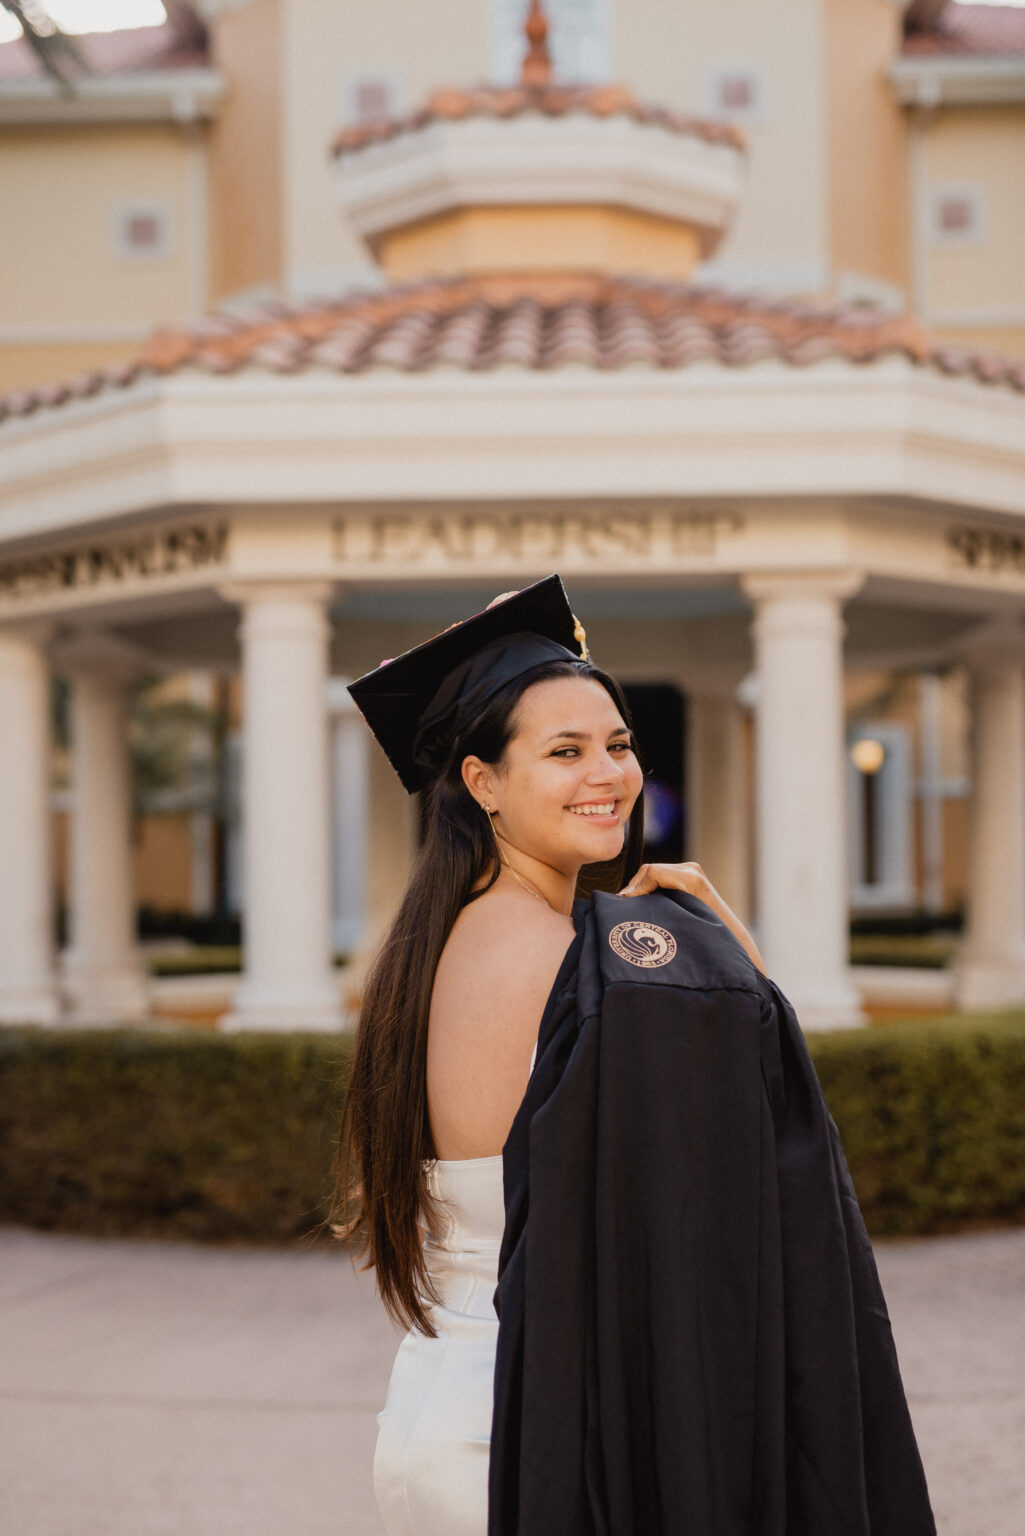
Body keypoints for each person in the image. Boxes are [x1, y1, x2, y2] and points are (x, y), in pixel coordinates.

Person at [336, 576, 934, 1536]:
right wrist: (714, 943)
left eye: (617, 744)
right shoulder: (587, 957)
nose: (608, 773)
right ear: (481, 781)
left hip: (448, 1401)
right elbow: (759, 1150)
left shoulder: (444, 941)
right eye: (563, 751)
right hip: (548, 1425)